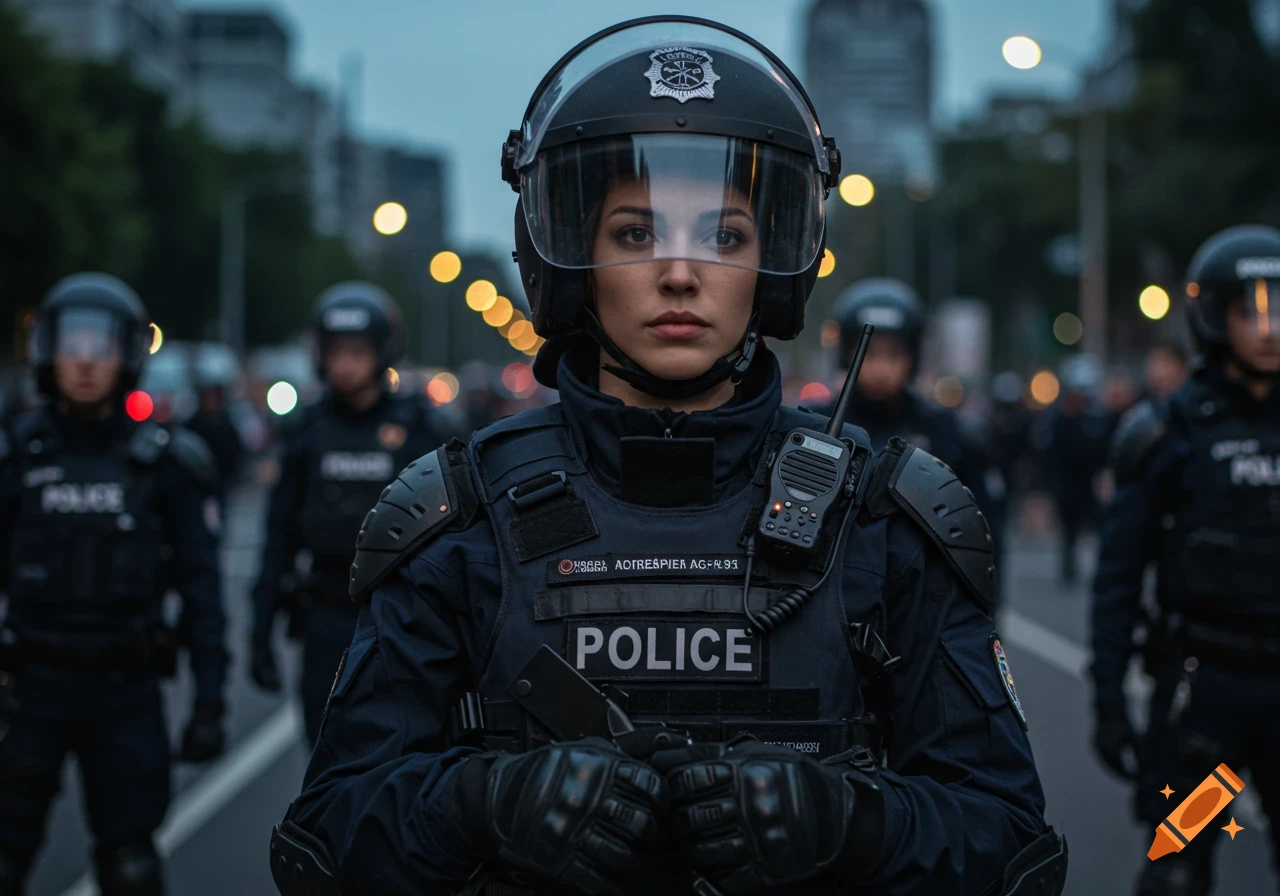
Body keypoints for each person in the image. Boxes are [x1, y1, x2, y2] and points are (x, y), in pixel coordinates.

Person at [269, 18, 1066, 896]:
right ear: (568, 257)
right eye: (636, 234)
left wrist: (853, 824)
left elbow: (1015, 849)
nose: (680, 273)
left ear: (775, 261)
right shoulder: (461, 514)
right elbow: (321, 844)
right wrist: (481, 804)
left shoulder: (883, 515)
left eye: (724, 236)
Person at [0, 274, 227, 896]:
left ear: (126, 352)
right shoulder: (16, 457)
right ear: (47, 349)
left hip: (124, 695)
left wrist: (210, 699)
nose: (85, 360)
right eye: (72, 343)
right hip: (30, 693)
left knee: (130, 864)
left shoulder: (164, 464)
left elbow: (203, 590)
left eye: (100, 345)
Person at [1091, 225, 1280, 896]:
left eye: (1279, 308)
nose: (1268, 328)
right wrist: (1108, 699)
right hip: (1205, 699)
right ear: (1214, 317)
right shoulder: (1166, 434)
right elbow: (1117, 576)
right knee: (1178, 869)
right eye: (1248, 310)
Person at [247, 282, 447, 746]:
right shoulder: (306, 433)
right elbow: (277, 538)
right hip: (327, 614)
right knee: (324, 754)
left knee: (404, 753)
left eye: (358, 351)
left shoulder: (419, 430)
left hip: (403, 617)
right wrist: (260, 633)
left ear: (383, 351)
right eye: (337, 351)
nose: (347, 363)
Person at [820, 279, 1005, 603]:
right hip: (832, 593)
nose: (881, 368)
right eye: (869, 353)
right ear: (847, 353)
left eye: (894, 354)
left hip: (925, 596)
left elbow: (983, 533)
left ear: (913, 356)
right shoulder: (818, 424)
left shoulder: (943, 430)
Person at [1038, 355, 1110, 586]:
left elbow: (1101, 449)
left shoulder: (1095, 419)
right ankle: (1069, 568)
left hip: (1088, 482)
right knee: (1069, 531)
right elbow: (1049, 453)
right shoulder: (1058, 420)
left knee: (1098, 527)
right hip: (1066, 483)